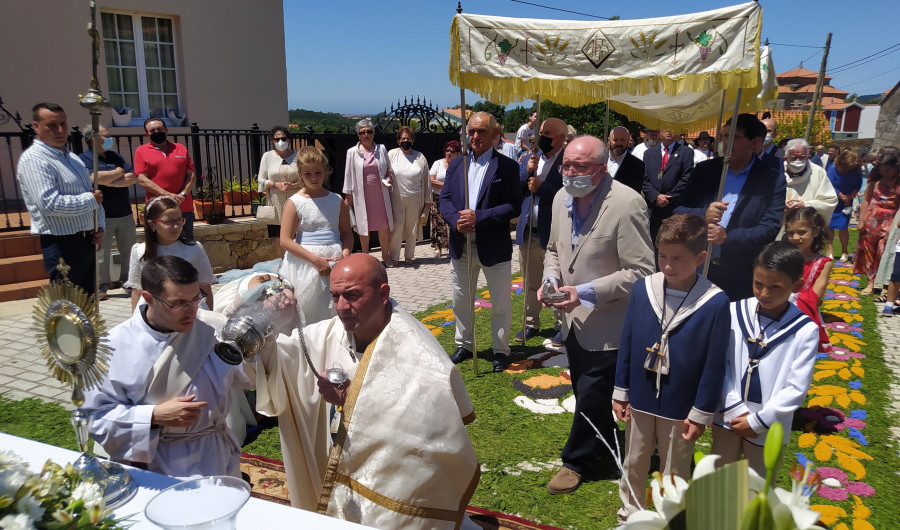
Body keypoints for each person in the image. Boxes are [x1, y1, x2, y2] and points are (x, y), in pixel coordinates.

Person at [250, 254, 479, 526]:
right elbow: (278, 361)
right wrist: (267, 318)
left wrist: (350, 402)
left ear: (383, 294)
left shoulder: (416, 350)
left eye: (352, 295)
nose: (342, 307)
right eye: (335, 296)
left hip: (398, 481)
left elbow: (425, 436)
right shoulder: (328, 333)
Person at [540, 135, 654, 494]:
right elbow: (554, 249)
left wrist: (585, 292)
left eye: (580, 167)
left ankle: (576, 461)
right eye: (566, 165)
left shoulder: (626, 204)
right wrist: (550, 278)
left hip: (609, 322)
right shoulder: (561, 198)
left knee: (590, 390)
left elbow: (642, 271)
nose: (570, 172)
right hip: (571, 320)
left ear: (602, 169)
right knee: (586, 386)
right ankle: (611, 444)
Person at [84, 255, 253, 478]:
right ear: (148, 298)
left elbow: (246, 376)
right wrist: (152, 416)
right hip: (158, 465)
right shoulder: (113, 347)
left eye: (196, 298)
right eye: (179, 303)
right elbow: (96, 418)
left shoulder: (207, 330)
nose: (192, 310)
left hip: (215, 454)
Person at [613, 214, 730, 521]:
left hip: (681, 402)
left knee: (675, 466)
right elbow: (627, 341)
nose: (667, 265)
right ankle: (630, 514)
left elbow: (714, 362)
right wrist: (621, 390)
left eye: (678, 258)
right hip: (640, 394)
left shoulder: (715, 302)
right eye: (662, 256)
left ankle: (670, 517)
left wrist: (701, 411)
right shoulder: (643, 289)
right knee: (634, 458)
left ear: (700, 257)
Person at [711, 241, 818, 476]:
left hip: (769, 423)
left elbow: (797, 387)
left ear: (796, 285)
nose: (764, 293)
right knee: (718, 483)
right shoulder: (733, 311)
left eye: (776, 287)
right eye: (758, 284)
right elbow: (721, 364)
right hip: (728, 415)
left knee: (758, 488)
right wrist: (734, 408)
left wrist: (759, 420)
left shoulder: (805, 330)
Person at [439, 112, 521, 371]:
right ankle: (464, 343)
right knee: (461, 298)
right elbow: (445, 199)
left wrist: (480, 217)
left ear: (496, 134)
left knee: (500, 301)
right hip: (461, 244)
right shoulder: (457, 165)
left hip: (493, 246)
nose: (475, 136)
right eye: (471, 131)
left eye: (482, 131)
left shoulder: (507, 167)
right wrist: (455, 220)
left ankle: (500, 349)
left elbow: (513, 205)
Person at [675, 113, 785, 301]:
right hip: (696, 266)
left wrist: (727, 237)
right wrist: (703, 214)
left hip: (739, 274)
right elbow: (678, 211)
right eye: (724, 136)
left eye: (735, 137)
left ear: (755, 142)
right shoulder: (705, 171)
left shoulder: (771, 179)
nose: (726, 142)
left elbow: (770, 228)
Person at [17, 102, 104, 295]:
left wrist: (99, 224)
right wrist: (89, 200)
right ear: (36, 126)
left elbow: (93, 194)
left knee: (88, 304)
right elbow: (49, 203)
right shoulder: (35, 159)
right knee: (66, 310)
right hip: (62, 243)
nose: (60, 130)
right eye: (52, 125)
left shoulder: (72, 158)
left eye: (63, 124)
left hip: (86, 239)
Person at [278, 146, 353, 326]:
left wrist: (346, 254)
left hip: (335, 259)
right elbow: (285, 240)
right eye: (308, 174)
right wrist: (315, 260)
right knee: (309, 308)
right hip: (306, 262)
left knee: (335, 306)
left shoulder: (336, 200)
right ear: (300, 174)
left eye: (318, 172)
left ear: (325, 171)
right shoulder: (295, 202)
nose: (313, 178)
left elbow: (346, 233)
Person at [514, 117, 566, 341]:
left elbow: (569, 196)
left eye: (547, 135)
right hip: (529, 230)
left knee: (557, 282)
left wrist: (542, 188)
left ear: (562, 138)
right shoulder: (529, 158)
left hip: (554, 234)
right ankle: (531, 322)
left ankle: (560, 323)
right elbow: (515, 190)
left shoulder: (569, 161)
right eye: (540, 133)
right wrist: (526, 172)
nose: (541, 138)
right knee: (530, 280)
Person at [79, 124, 137, 300]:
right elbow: (92, 178)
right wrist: (118, 173)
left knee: (129, 249)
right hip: (103, 215)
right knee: (101, 253)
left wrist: (111, 180)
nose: (110, 137)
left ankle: (128, 282)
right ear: (93, 138)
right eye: (106, 134)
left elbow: (133, 176)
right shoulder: (85, 158)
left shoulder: (115, 155)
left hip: (124, 212)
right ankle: (101, 286)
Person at [126, 196, 215, 311]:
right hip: (154, 313)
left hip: (188, 310)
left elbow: (205, 286)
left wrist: (210, 318)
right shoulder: (139, 251)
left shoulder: (193, 249)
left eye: (179, 220)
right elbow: (137, 290)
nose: (176, 226)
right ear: (152, 224)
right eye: (168, 222)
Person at [134, 118, 197, 240]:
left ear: (166, 130)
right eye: (152, 130)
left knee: (186, 243)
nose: (157, 132)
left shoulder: (180, 148)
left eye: (160, 129)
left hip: (183, 206)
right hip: (158, 208)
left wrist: (182, 194)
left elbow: (191, 175)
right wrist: (167, 195)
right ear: (147, 134)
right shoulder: (141, 151)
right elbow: (142, 179)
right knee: (160, 245)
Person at [343, 119, 393, 265]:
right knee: (363, 226)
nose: (366, 134)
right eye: (362, 132)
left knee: (383, 226)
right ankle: (366, 257)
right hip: (361, 195)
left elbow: (389, 169)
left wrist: (389, 177)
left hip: (380, 194)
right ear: (358, 135)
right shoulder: (352, 152)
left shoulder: (381, 149)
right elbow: (348, 175)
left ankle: (385, 255)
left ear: (373, 133)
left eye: (369, 131)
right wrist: (348, 196)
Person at [784, 207, 835, 354]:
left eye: (802, 232)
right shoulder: (782, 256)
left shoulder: (823, 263)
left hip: (803, 315)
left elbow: (815, 296)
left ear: (816, 231)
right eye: (790, 233)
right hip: (775, 309)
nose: (795, 238)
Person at [855, 150, 900, 294]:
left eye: (888, 170)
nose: (885, 172)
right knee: (870, 252)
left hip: (891, 221)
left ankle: (886, 284)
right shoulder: (874, 180)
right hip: (872, 220)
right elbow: (866, 200)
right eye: (882, 170)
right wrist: (861, 220)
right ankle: (870, 283)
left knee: (885, 251)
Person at [387, 126, 432, 266]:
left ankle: (409, 256)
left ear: (413, 140)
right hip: (396, 196)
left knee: (412, 228)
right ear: (398, 140)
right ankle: (394, 257)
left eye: (408, 138)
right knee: (397, 227)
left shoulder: (420, 157)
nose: (405, 141)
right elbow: (384, 172)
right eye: (403, 138)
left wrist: (428, 200)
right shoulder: (392, 154)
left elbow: (426, 179)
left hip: (415, 196)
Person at [642, 129, 695, 241]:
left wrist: (668, 197)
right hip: (653, 208)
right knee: (652, 242)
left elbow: (686, 178)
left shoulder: (686, 152)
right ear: (660, 132)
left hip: (674, 207)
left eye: (672, 128)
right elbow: (644, 179)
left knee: (672, 242)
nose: (669, 131)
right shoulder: (648, 153)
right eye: (666, 128)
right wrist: (656, 196)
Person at [257, 125, 302, 238]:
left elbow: (305, 177)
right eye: (277, 139)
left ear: (289, 140)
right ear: (273, 141)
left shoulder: (298, 156)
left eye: (283, 138)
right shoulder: (267, 156)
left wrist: (294, 185)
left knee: (298, 231)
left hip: (296, 197)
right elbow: (261, 179)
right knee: (279, 234)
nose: (280, 141)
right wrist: (276, 184)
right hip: (275, 200)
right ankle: (282, 256)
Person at [782, 138, 838, 226]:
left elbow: (829, 201)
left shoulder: (818, 172)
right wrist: (780, 204)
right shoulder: (777, 172)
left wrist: (806, 204)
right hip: (780, 224)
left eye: (801, 157)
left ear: (808, 157)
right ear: (785, 158)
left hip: (808, 225)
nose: (798, 161)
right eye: (793, 157)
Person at [825, 151, 863, 263]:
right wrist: (841, 195)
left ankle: (844, 251)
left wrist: (851, 195)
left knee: (843, 227)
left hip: (848, 200)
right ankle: (830, 250)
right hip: (833, 198)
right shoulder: (833, 168)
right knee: (830, 226)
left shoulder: (856, 169)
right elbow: (829, 183)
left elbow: (858, 184)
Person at [428, 140, 460, 258]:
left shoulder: (460, 164)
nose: (449, 153)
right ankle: (438, 247)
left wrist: (444, 184)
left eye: (452, 151)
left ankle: (450, 247)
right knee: (437, 223)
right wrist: (447, 185)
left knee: (450, 222)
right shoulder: (438, 163)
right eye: (447, 150)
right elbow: (431, 180)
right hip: (438, 197)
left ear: (458, 153)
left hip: (454, 198)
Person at [608, 126, 645, 194]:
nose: (619, 143)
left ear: (628, 141)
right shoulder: (599, 160)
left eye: (623, 140)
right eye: (615, 140)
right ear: (609, 140)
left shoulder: (638, 165)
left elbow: (634, 194)